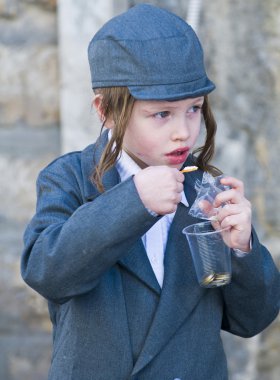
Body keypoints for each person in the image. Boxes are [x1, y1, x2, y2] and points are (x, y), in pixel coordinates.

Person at [21, 4, 279, 380]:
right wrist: (131, 203)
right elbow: (46, 271)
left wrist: (242, 251)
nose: (184, 132)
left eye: (194, 109)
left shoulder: (207, 190)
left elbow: (251, 319)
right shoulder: (69, 178)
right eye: (162, 114)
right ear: (106, 111)